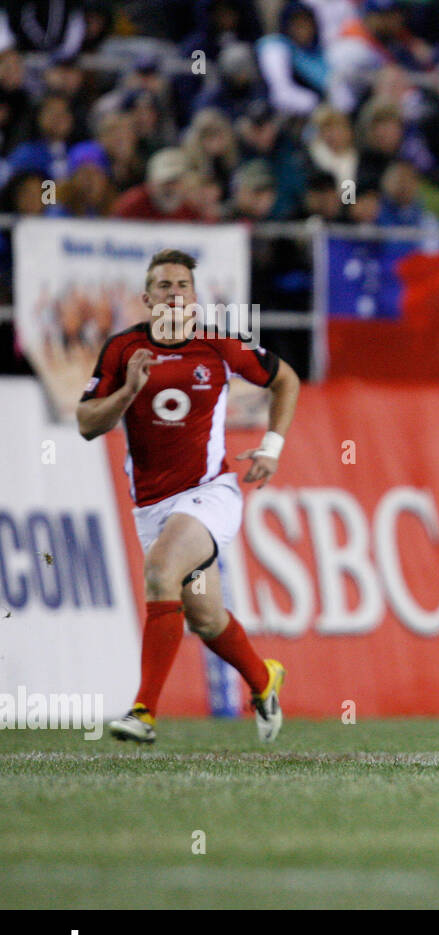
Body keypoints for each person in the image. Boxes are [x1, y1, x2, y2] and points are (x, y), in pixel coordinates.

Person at [77, 249, 300, 743]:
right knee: (205, 618)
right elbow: (87, 424)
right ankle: (265, 680)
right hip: (152, 507)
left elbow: (286, 380)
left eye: (182, 286)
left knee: (160, 572)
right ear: (146, 298)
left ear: (195, 298)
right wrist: (127, 392)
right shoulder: (122, 350)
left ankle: (143, 712)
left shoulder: (219, 345)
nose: (174, 293)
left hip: (209, 494)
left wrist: (272, 446)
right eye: (163, 286)